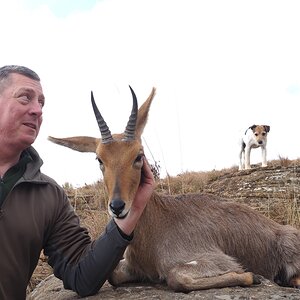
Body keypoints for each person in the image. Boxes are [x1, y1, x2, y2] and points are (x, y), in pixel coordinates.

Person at [0, 65, 155, 300]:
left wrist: (132, 211)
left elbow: (83, 275)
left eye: (41, 103)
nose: (37, 110)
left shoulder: (48, 196)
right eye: (25, 98)